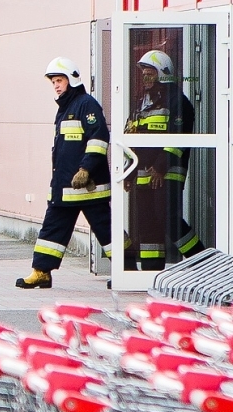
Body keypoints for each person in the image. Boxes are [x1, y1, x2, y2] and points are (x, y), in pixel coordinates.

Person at [17, 57, 112, 289]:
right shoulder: (66, 108)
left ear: (72, 80)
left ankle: (127, 270)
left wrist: (85, 169)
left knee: (106, 230)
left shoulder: (86, 104)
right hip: (65, 187)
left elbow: (98, 139)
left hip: (88, 186)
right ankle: (41, 272)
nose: (57, 85)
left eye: (60, 80)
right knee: (52, 228)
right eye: (54, 82)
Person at [123, 49, 199, 270]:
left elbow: (178, 138)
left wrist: (160, 166)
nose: (145, 77)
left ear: (163, 73)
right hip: (143, 173)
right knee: (146, 226)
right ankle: (150, 274)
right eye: (144, 72)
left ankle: (202, 262)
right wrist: (128, 171)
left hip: (167, 172)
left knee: (168, 219)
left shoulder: (177, 101)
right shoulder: (142, 102)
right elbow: (132, 138)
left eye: (150, 72)